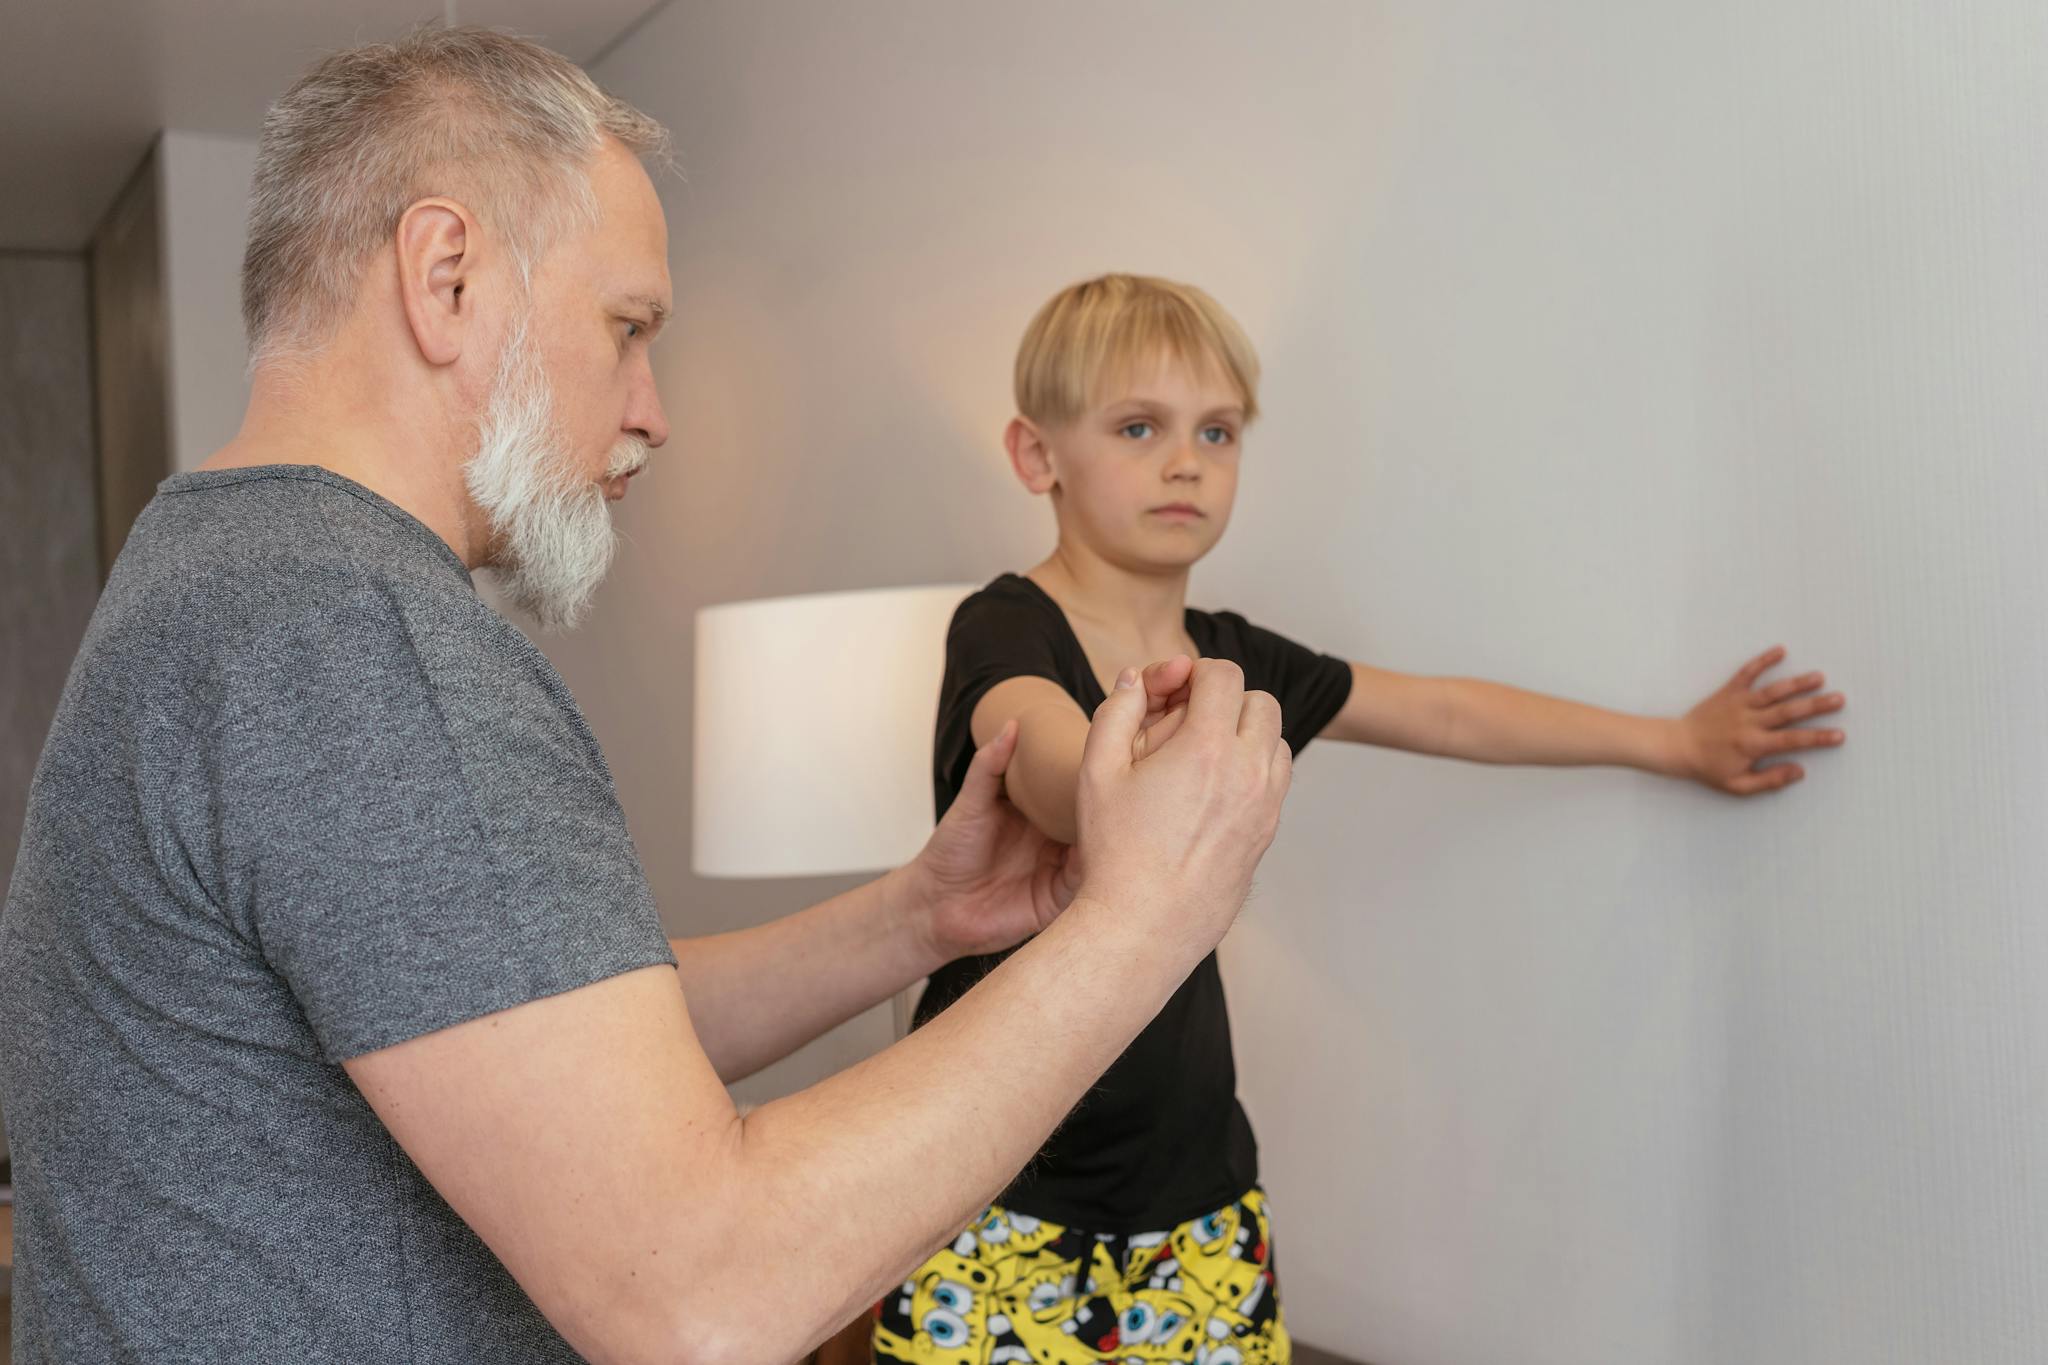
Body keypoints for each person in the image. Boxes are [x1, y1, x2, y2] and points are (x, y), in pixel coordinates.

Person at [0, 35, 1292, 1365]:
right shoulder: (359, 637)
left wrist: (919, 918)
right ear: (446, 279)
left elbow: (551, 1040)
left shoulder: (218, 570)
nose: (654, 410)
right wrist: (1144, 922)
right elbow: (703, 1298)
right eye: (627, 328)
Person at [875, 274, 1850, 1364]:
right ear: (1034, 455)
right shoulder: (1003, 625)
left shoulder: (1237, 657)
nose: (1186, 459)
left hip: (1197, 1198)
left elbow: (1442, 711)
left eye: (1217, 430)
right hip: (991, 1196)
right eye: (1137, 426)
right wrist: (1142, 763)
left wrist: (1670, 741)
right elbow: (1044, 762)